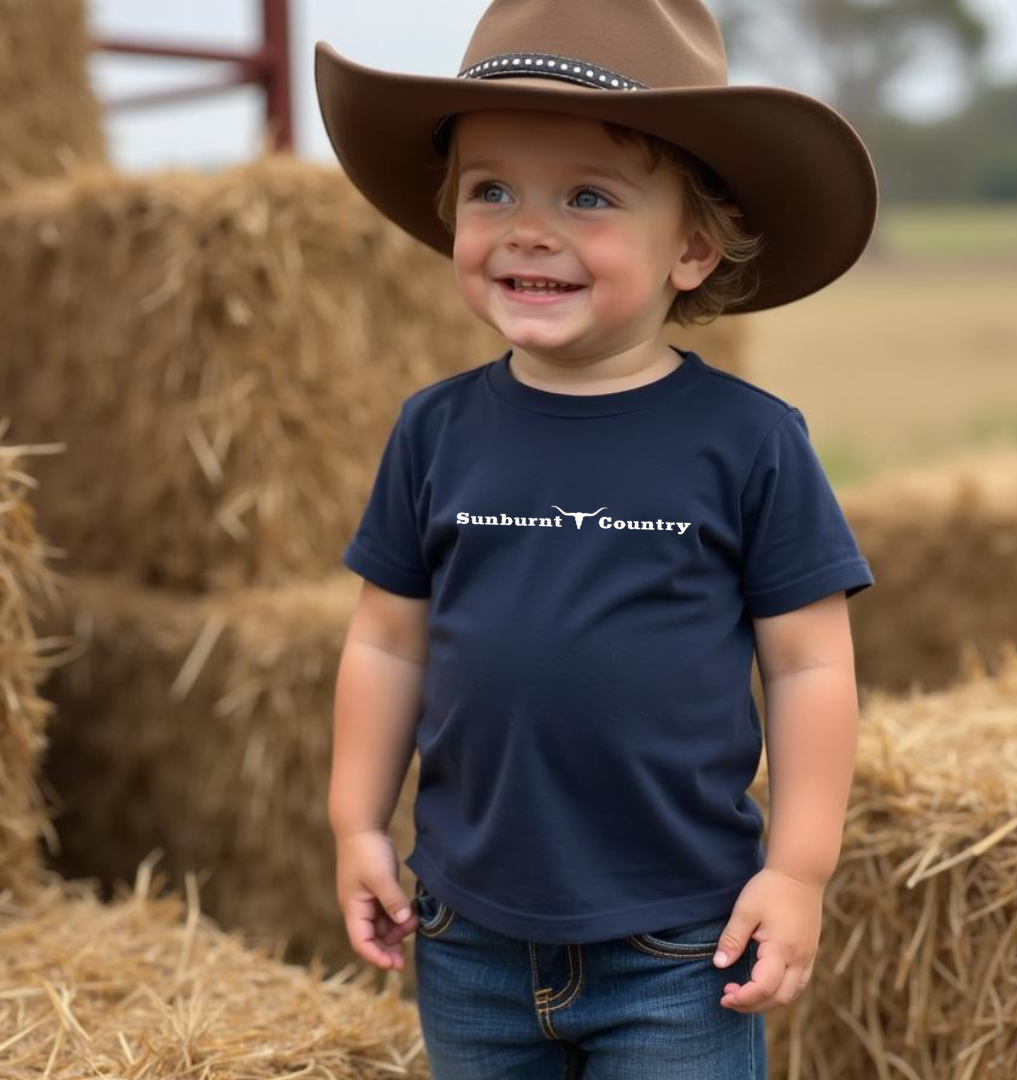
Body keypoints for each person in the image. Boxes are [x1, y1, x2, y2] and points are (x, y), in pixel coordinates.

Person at [318, 1, 877, 1076]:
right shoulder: (434, 430)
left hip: (678, 945)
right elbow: (388, 639)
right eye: (491, 191)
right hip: (467, 935)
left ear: (695, 249)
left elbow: (808, 663)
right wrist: (355, 824)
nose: (529, 227)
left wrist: (799, 871)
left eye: (588, 196)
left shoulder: (749, 442)